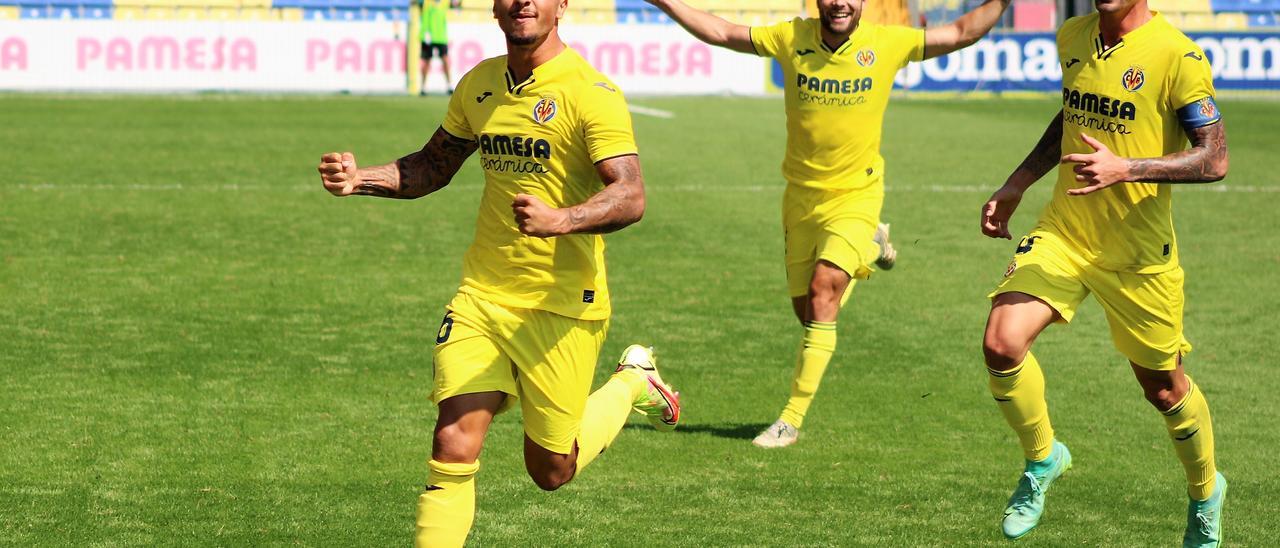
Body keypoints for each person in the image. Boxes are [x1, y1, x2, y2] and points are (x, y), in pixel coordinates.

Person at [318, 0, 681, 545]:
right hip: (483, 296)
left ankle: (632, 383)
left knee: (551, 471)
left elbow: (630, 194)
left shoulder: (590, 92)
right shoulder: (480, 83)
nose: (523, 2)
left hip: (562, 305)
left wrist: (563, 219)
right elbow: (432, 166)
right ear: (494, 7)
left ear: (561, 7)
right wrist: (360, 179)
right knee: (453, 441)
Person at [645, 0, 1011, 448]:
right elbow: (722, 32)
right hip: (800, 200)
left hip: (857, 196)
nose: (839, 2)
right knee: (810, 314)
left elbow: (958, 33)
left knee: (823, 291)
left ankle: (790, 420)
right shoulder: (790, 38)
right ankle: (872, 247)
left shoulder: (886, 42)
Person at [978, 0, 1229, 543]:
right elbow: (1072, 113)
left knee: (1163, 390)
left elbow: (1214, 158)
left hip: (1138, 254)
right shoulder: (1073, 35)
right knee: (1001, 343)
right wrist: (1018, 180)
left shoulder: (1177, 55)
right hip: (1065, 231)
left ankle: (1206, 492)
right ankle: (1044, 459)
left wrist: (1128, 168)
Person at [419, 0, 458, 95]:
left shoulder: (444, 3)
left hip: (440, 37)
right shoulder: (426, 2)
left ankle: (449, 85)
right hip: (427, 35)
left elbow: (455, 4)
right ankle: (423, 87)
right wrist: (425, 32)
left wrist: (456, 3)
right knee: (426, 62)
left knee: (445, 60)